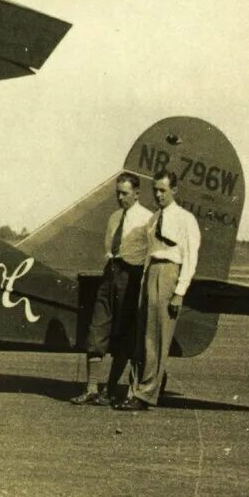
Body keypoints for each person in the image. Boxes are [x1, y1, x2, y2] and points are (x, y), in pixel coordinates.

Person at [117, 170, 200, 411]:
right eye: (155, 190)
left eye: (163, 190)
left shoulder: (186, 219)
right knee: (142, 336)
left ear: (174, 191)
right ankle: (135, 390)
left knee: (157, 338)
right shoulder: (153, 220)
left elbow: (190, 257)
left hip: (169, 273)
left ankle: (145, 394)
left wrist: (179, 291)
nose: (158, 195)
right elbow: (148, 253)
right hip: (151, 273)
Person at [70, 173, 150, 406]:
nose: (120, 197)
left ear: (137, 193)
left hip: (132, 277)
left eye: (125, 193)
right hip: (110, 273)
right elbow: (109, 246)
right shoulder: (114, 218)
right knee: (97, 328)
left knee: (124, 334)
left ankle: (111, 389)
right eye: (118, 193)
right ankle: (92, 389)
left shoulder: (147, 219)